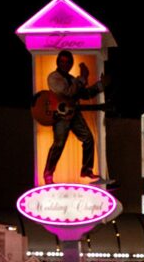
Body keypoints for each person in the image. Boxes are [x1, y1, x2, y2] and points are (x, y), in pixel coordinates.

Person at [43, 50, 103, 185]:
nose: (65, 64)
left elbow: (85, 94)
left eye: (68, 62)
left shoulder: (72, 79)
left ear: (71, 64)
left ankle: (86, 169)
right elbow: (67, 92)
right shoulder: (54, 77)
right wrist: (81, 79)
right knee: (58, 144)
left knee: (88, 138)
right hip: (60, 116)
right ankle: (48, 173)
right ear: (57, 62)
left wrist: (100, 85)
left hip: (73, 114)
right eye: (62, 61)